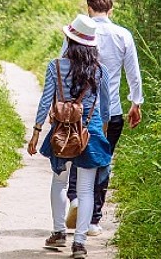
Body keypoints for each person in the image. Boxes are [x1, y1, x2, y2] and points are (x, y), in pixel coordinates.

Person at [28, 14, 111, 259]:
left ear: (69, 39)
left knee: (59, 182)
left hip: (61, 132)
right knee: (86, 190)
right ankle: (80, 243)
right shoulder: (101, 70)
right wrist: (102, 131)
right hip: (91, 131)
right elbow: (105, 106)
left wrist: (36, 131)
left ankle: (58, 232)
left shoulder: (55, 65)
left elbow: (46, 100)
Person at [64, 0, 144, 236]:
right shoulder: (123, 35)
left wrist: (62, 104)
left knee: (79, 153)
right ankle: (94, 220)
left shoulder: (78, 31)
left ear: (89, 8)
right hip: (112, 113)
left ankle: (76, 198)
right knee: (103, 161)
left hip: (80, 110)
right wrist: (136, 103)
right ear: (111, 9)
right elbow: (133, 72)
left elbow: (63, 68)